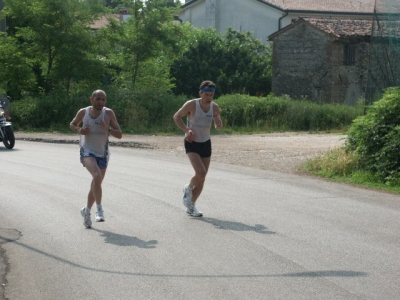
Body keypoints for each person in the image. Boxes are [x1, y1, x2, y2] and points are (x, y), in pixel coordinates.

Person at [70, 89, 122, 228]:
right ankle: (99, 210)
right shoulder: (84, 112)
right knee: (97, 175)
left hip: (102, 153)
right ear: (91, 100)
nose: (100, 102)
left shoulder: (108, 113)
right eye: (98, 99)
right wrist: (80, 130)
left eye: (103, 99)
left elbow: (119, 135)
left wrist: (108, 129)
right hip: (87, 151)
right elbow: (72, 124)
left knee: (96, 182)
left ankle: (86, 211)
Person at [173, 80, 223, 217]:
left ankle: (191, 206)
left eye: (211, 95)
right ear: (200, 93)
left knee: (202, 178)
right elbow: (177, 117)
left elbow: (218, 123)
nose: (209, 98)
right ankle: (188, 188)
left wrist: (219, 125)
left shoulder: (215, 107)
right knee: (200, 172)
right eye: (206, 94)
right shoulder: (191, 104)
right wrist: (186, 129)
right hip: (192, 142)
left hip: (205, 142)